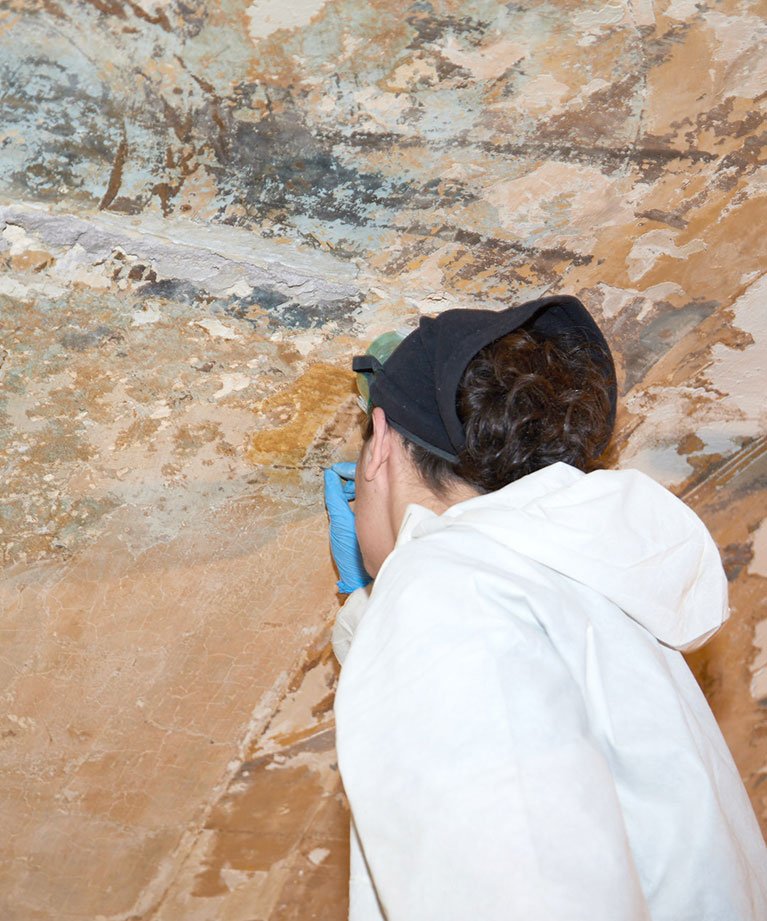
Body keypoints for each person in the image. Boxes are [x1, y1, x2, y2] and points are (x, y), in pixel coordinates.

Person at [323, 294, 767, 921]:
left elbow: (513, 881)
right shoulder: (606, 605)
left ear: (381, 442)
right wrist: (368, 605)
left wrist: (401, 588)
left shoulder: (447, 589)